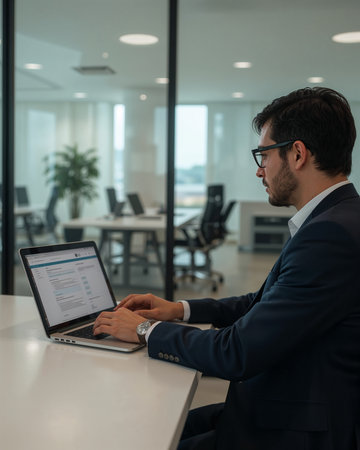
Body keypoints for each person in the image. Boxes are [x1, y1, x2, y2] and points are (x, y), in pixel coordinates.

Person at [94, 87, 360, 450]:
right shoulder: (336, 220)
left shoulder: (331, 235)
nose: (259, 170)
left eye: (264, 155)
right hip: (276, 406)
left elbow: (238, 353)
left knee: (138, 433)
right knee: (148, 427)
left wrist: (144, 329)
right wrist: (180, 310)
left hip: (291, 429)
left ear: (297, 154)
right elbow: (263, 303)